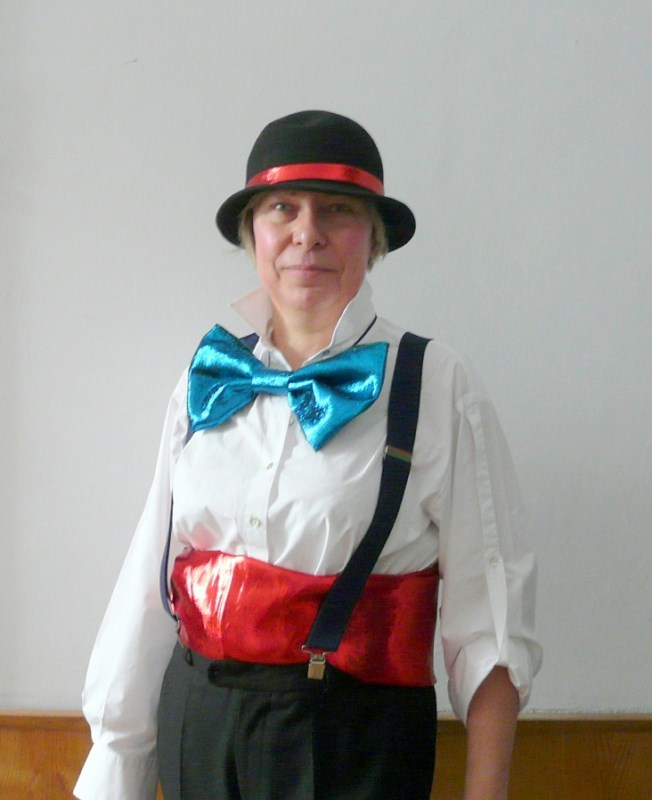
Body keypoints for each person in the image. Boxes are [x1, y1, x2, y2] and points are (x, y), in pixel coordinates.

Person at [74, 110, 542, 800]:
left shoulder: (436, 382)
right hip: (196, 720)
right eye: (282, 208)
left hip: (352, 735)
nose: (307, 232)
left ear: (374, 238)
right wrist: (116, 765)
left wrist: (487, 788)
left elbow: (492, 612)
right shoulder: (207, 378)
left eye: (338, 210)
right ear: (253, 234)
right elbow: (152, 582)